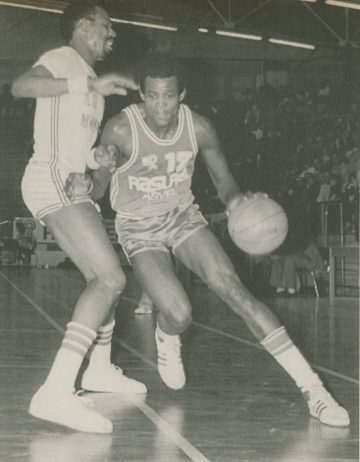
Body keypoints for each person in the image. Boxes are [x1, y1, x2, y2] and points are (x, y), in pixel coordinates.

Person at [66, 56, 350, 428]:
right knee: (179, 313)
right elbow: (102, 182)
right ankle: (168, 335)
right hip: (138, 226)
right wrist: (89, 184)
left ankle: (314, 391)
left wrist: (236, 202)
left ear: (182, 94)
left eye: (169, 96)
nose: (161, 105)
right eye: (152, 96)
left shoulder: (200, 129)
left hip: (183, 216)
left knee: (237, 292)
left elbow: (223, 182)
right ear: (141, 94)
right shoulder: (121, 129)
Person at [11, 0, 146, 434]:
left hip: (66, 180)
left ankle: (99, 370)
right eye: (106, 25)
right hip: (46, 176)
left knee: (105, 281)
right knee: (110, 280)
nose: (112, 33)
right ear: (84, 26)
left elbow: (72, 141)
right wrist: (88, 84)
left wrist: (97, 157)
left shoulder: (89, 80)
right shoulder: (62, 60)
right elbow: (20, 87)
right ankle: (55, 390)